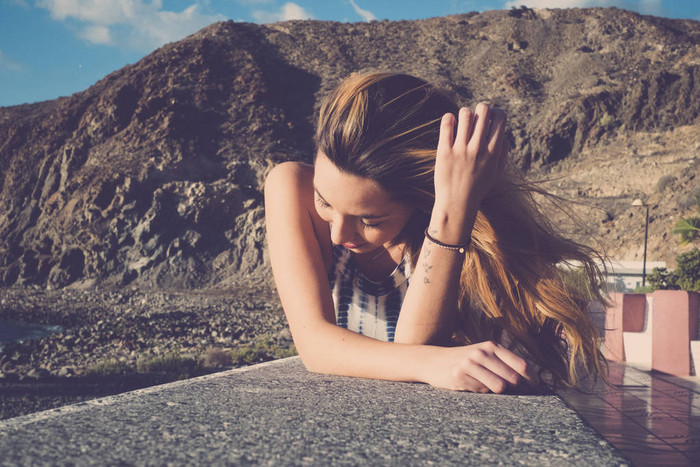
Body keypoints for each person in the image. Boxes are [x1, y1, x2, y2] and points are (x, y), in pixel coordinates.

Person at [264, 71, 606, 393]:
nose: (338, 235)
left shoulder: (453, 225)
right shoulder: (290, 186)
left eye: (369, 221)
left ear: (422, 200)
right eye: (324, 202)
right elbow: (314, 343)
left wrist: (455, 205)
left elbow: (413, 347)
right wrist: (435, 363)